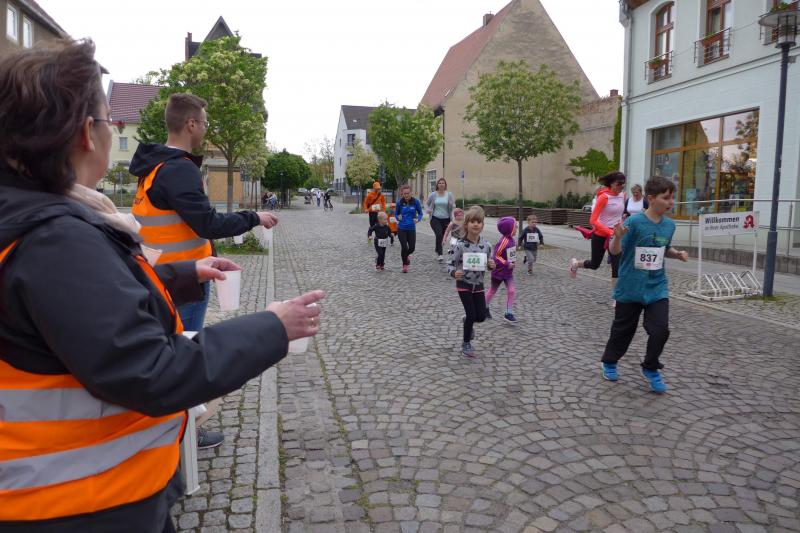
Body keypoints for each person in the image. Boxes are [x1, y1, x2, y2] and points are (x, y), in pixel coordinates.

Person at [0, 39, 324, 532]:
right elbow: (152, 370)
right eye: (108, 119)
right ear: (87, 133)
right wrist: (273, 327)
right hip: (76, 505)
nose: (112, 129)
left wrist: (182, 274)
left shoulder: (33, 218)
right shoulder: (54, 239)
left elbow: (92, 310)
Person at [130, 93, 279, 448]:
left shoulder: (153, 168)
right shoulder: (178, 169)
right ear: (191, 124)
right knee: (182, 355)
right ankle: (183, 435)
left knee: (169, 351)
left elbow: (181, 224)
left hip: (163, 275)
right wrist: (254, 217)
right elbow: (207, 222)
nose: (207, 129)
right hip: (183, 282)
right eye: (206, 123)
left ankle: (173, 431)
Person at [601, 176, 688, 394]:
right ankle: (610, 362)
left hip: (657, 287)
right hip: (630, 287)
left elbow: (664, 248)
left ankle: (650, 367)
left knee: (660, 330)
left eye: (673, 197)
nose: (671, 202)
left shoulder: (669, 225)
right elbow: (614, 251)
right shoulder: (634, 222)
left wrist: (677, 254)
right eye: (666, 198)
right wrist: (617, 237)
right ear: (651, 198)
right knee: (623, 331)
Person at [448, 206, 495, 358]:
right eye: (472, 221)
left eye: (479, 222)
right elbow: (450, 264)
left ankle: (467, 320)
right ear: (466, 224)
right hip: (464, 285)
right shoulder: (460, 245)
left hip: (479, 285)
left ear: (482, 225)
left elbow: (489, 265)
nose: (476, 224)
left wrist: (491, 265)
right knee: (471, 313)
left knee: (480, 316)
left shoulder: (487, 245)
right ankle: (466, 343)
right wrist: (454, 273)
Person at [569, 172, 627, 289]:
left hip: (615, 236)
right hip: (600, 235)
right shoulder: (604, 197)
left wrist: (620, 226)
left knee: (616, 266)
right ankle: (575, 263)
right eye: (619, 184)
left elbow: (619, 215)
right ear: (611, 184)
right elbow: (593, 220)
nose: (621, 186)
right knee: (595, 264)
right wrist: (609, 232)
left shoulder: (623, 195)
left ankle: (617, 295)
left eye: (623, 184)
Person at [485, 217, 518, 323]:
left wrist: (513, 262)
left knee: (512, 290)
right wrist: (507, 263)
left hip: (508, 273)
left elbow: (511, 254)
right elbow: (496, 255)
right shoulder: (503, 241)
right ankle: (484, 307)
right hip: (498, 272)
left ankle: (508, 313)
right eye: (515, 226)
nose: (517, 228)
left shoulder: (512, 240)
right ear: (509, 228)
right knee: (492, 290)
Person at [425, 178, 455, 262]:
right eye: (440, 183)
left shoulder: (449, 195)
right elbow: (426, 204)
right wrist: (428, 210)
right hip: (435, 218)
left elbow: (454, 205)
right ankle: (440, 254)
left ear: (445, 185)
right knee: (439, 235)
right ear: (437, 185)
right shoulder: (433, 194)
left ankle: (437, 249)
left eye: (443, 183)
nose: (441, 184)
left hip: (446, 219)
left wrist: (451, 204)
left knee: (441, 236)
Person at [395, 184, 423, 273]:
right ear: (402, 194)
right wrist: (398, 217)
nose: (406, 195)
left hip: (411, 228)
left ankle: (406, 256)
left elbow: (420, 213)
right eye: (405, 193)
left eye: (408, 193)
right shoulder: (399, 202)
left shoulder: (416, 202)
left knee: (412, 248)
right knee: (404, 247)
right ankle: (405, 265)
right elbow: (396, 214)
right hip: (401, 228)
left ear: (411, 193)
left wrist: (417, 219)